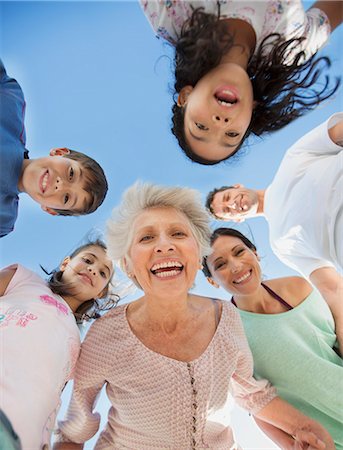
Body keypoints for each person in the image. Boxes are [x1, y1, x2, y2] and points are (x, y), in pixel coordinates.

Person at [54, 182, 334, 450]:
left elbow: (251, 394)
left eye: (178, 234)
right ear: (128, 265)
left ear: (198, 255)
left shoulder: (226, 316)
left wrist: (302, 427)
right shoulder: (105, 334)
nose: (164, 246)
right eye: (147, 237)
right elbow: (74, 431)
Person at [206, 111, 343, 353]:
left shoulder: (292, 160)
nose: (231, 204)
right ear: (236, 219)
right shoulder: (281, 243)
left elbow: (336, 132)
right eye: (226, 211)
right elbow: (332, 288)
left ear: (238, 186)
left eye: (227, 197)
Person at [141, 0, 342, 164]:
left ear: (185, 97)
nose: (220, 123)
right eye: (231, 134)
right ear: (252, 111)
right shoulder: (292, 48)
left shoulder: (170, 16)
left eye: (201, 126)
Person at [203, 227, 343, 449]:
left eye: (239, 252)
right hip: (324, 438)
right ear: (212, 281)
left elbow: (336, 340)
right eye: (220, 264)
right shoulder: (227, 332)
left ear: (255, 253)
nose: (235, 266)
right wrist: (288, 444)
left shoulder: (297, 288)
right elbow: (255, 402)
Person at [0, 240, 115, 450]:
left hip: (21, 431)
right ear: (65, 263)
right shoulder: (24, 280)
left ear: (100, 293)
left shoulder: (80, 345)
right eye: (88, 260)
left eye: (103, 273)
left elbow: (54, 391)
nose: (93, 269)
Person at [0, 59, 108, 238]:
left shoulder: (4, 220)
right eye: (71, 174)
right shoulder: (11, 102)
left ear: (50, 210)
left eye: (66, 198)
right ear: (59, 152)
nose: (61, 184)